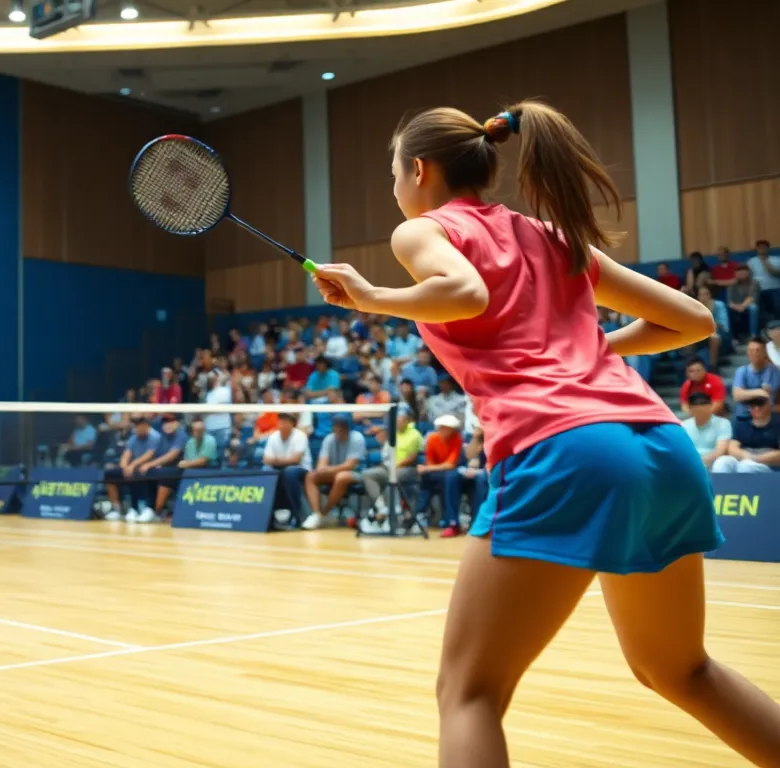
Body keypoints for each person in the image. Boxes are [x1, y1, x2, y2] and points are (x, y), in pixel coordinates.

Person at [309, 101, 780, 766]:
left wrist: (373, 297)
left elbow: (466, 294)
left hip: (565, 447)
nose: (394, 188)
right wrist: (585, 351)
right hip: (659, 441)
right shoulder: (553, 238)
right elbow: (695, 320)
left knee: (468, 693)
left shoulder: (420, 232)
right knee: (680, 670)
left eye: (392, 172)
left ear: (419, 169)